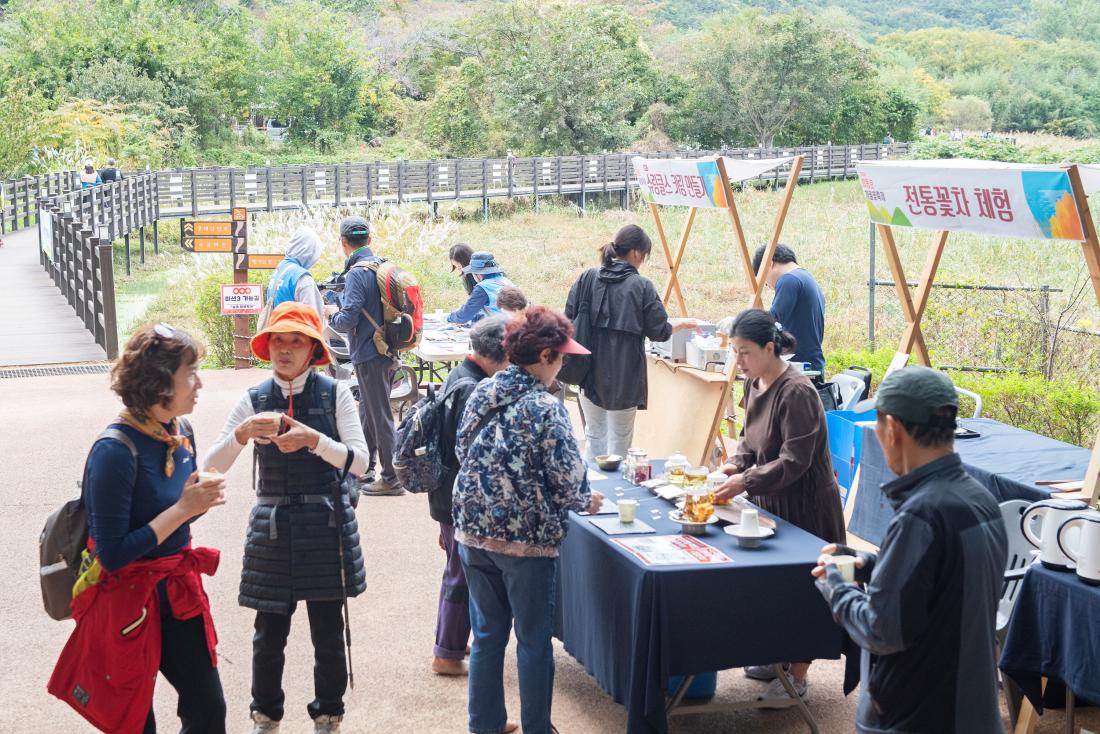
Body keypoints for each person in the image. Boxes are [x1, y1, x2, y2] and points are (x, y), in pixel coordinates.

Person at [50, 323, 227, 733]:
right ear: (161, 381)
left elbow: (176, 522)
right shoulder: (115, 450)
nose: (199, 382)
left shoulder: (181, 432)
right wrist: (184, 508)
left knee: (208, 710)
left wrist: (196, 504)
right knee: (133, 721)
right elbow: (112, 554)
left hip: (176, 589)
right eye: (192, 372)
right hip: (126, 597)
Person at [812, 366, 1008, 734]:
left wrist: (837, 583)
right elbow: (946, 580)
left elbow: (882, 631)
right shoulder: (980, 499)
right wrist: (872, 565)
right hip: (972, 709)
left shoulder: (922, 514)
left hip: (918, 715)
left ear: (894, 431)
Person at [204, 302, 369, 734]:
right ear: (268, 344)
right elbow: (212, 466)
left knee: (328, 633)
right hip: (272, 529)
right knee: (267, 634)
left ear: (313, 348)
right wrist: (241, 435)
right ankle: (265, 714)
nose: (285, 348)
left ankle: (329, 713)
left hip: (326, 525)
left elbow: (361, 462)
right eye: (279, 339)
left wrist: (315, 440)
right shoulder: (254, 399)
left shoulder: (336, 394)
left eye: (296, 340)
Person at [453, 307, 603, 734]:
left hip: (472, 532)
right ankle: (538, 727)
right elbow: (570, 484)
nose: (563, 365)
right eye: (561, 357)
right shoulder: (546, 408)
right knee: (533, 640)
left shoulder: (482, 390)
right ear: (544, 356)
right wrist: (585, 499)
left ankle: (484, 725)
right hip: (526, 543)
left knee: (486, 636)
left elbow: (465, 451)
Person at [713, 308, 845, 702]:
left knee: (803, 589)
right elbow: (750, 444)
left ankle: (798, 676)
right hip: (769, 500)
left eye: (746, 352)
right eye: (735, 352)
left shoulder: (797, 391)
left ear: (770, 348)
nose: (739, 361)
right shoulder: (754, 383)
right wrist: (734, 466)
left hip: (805, 506)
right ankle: (775, 658)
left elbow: (794, 461)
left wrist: (744, 480)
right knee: (771, 587)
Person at [565, 224, 697, 462]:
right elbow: (658, 331)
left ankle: (591, 493)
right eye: (644, 256)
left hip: (585, 372)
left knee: (594, 436)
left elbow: (567, 318)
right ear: (636, 253)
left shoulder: (587, 277)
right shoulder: (641, 286)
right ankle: (615, 494)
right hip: (624, 377)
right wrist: (682, 325)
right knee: (620, 442)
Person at [429, 315, 510, 677]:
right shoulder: (473, 389)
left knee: (456, 570)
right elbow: (473, 455)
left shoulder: (460, 376)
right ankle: (446, 652)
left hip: (446, 494)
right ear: (499, 354)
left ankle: (452, 642)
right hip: (461, 498)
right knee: (461, 575)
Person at [326, 215, 403, 496]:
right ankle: (364, 466)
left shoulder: (357, 272)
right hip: (386, 347)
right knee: (368, 409)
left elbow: (348, 319)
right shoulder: (381, 264)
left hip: (369, 351)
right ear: (369, 240)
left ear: (343, 243)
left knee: (380, 413)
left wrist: (331, 317)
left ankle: (392, 477)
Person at [751, 243, 826, 374]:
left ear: (769, 264)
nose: (768, 285)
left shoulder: (789, 280)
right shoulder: (806, 278)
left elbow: (773, 319)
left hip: (799, 369)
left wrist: (741, 323)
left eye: (764, 280)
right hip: (812, 364)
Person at [265, 226, 325, 322]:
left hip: (277, 331)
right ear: (310, 252)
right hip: (294, 334)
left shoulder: (281, 268)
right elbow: (314, 319)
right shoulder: (302, 278)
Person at [447, 251, 515, 324]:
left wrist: (449, 317)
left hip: (505, 329)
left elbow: (464, 316)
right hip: (520, 326)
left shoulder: (483, 287)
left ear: (476, 273)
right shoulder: (506, 281)